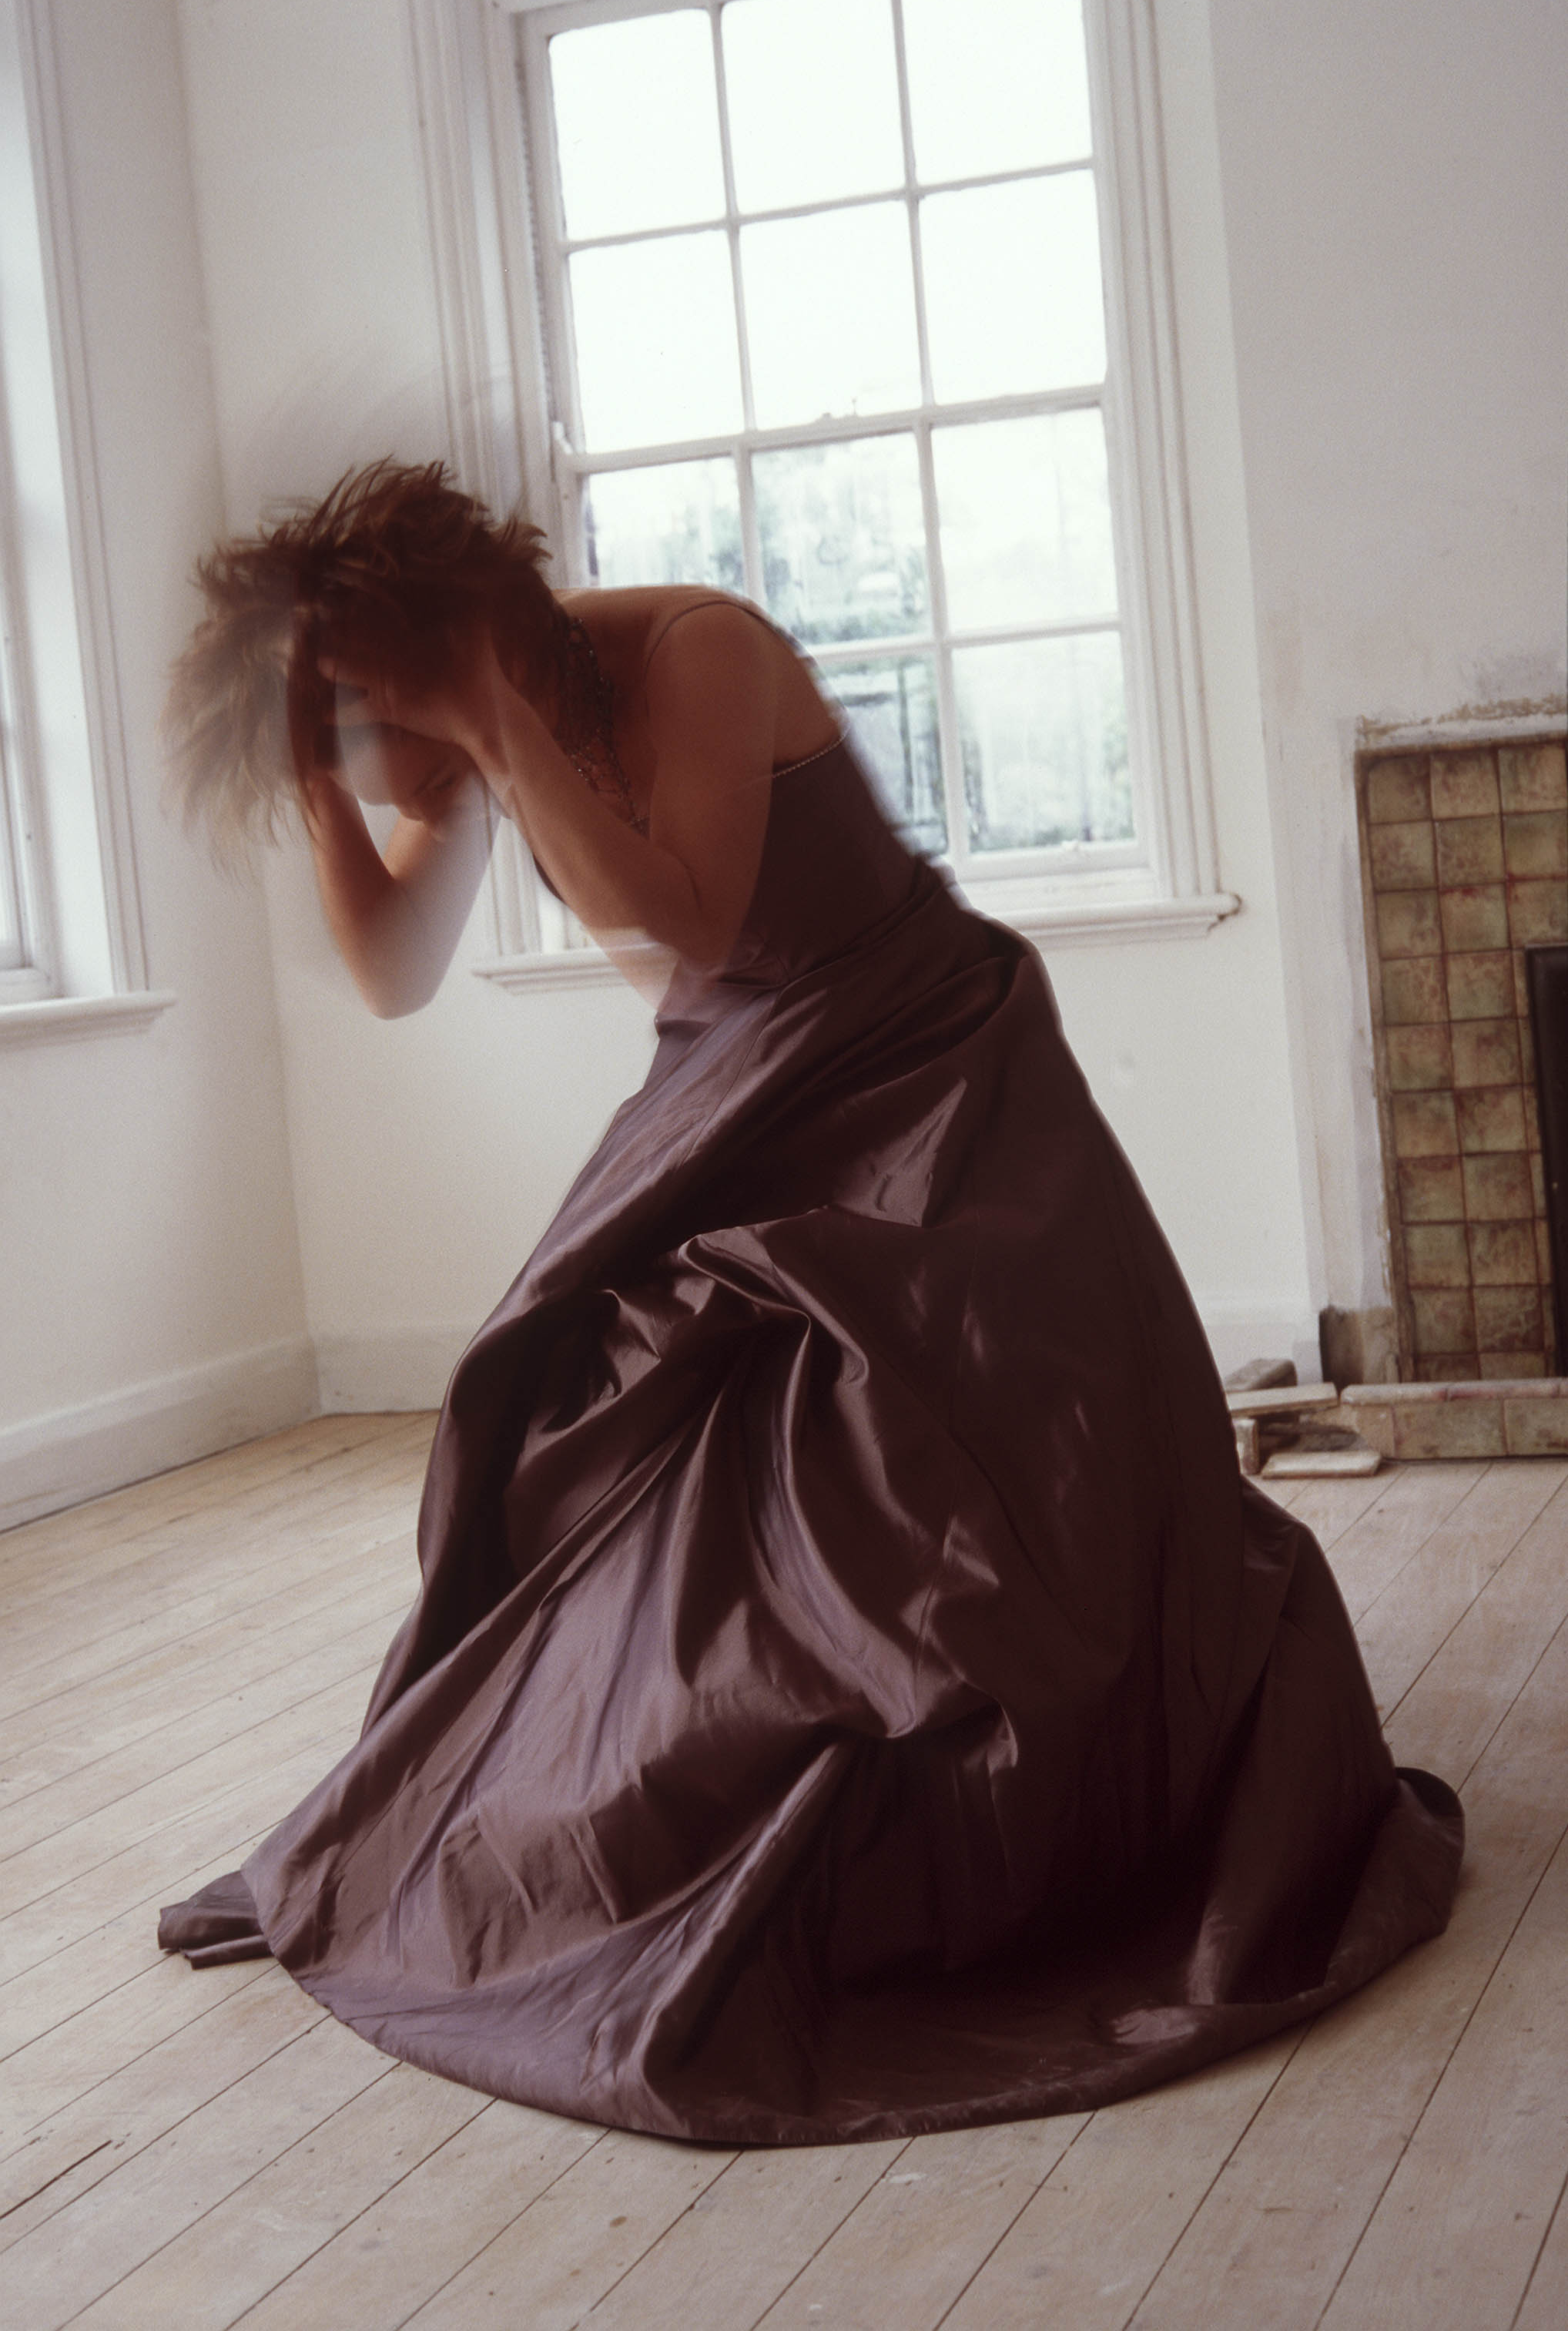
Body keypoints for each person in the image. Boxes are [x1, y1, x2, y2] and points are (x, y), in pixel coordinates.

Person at [158, 459, 1462, 2146]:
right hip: (738, 1080)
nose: (372, 763)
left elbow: (690, 914)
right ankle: (622, 1780)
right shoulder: (480, 720)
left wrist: (478, 716)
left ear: (450, 652)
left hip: (920, 1065)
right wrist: (326, 783)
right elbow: (395, 969)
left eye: (366, 727)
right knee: (572, 1415)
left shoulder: (696, 651)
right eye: (341, 739)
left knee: (943, 1485)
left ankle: (965, 1802)